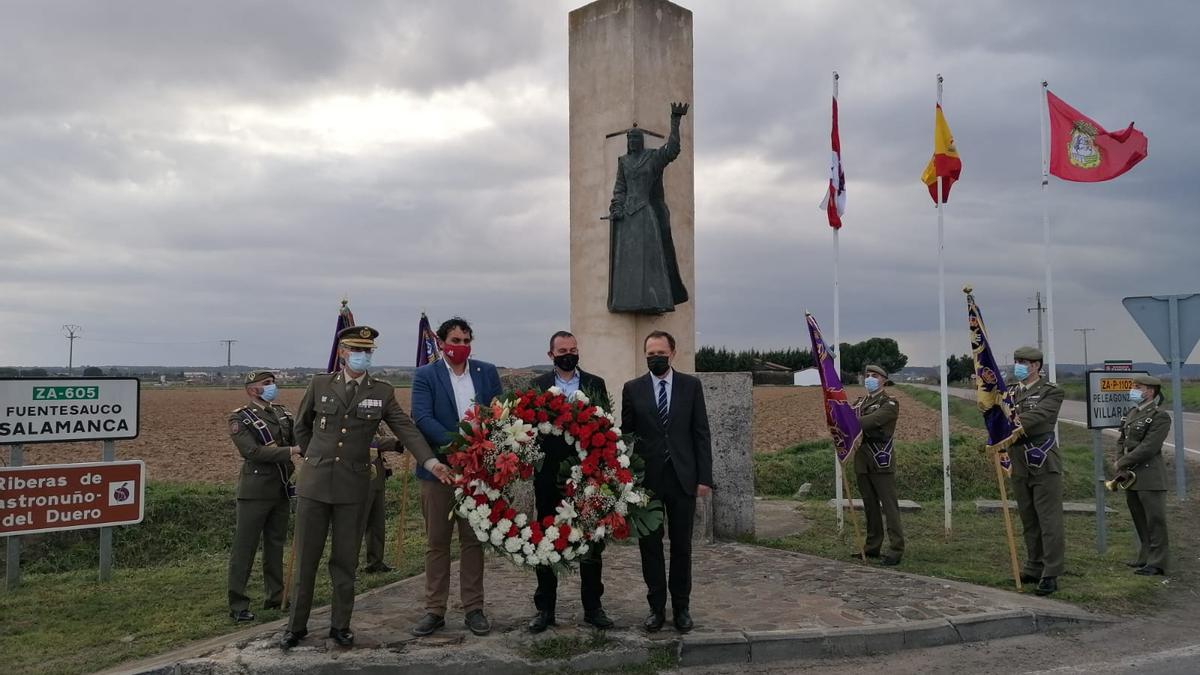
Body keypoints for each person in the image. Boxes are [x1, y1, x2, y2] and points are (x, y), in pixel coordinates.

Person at [282, 325, 451, 650]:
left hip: (353, 487)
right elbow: (301, 427)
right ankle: (296, 626)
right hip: (315, 485)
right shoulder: (319, 384)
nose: (362, 356)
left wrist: (431, 462)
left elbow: (407, 430)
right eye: (356, 350)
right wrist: (315, 456)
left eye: (367, 351)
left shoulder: (382, 391)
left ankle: (340, 625)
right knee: (306, 559)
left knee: (345, 561)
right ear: (343, 352)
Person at [409, 317, 502, 637]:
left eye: (465, 341)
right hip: (440, 471)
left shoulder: (486, 372)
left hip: (478, 471)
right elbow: (422, 416)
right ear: (441, 341)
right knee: (437, 542)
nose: (460, 346)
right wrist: (457, 445)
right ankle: (434, 610)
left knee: (473, 541)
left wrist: (482, 446)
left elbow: (497, 411)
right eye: (455, 341)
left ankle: (474, 607)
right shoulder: (425, 375)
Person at [621, 330, 712, 633]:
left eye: (660, 353)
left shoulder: (691, 386)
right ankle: (656, 607)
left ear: (673, 353)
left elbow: (701, 434)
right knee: (650, 546)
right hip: (648, 481)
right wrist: (623, 476)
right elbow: (627, 436)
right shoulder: (633, 389)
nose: (655, 358)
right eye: (649, 354)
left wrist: (704, 478)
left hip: (683, 479)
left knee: (682, 546)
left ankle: (682, 607)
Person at [527, 331, 614, 632]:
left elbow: (607, 428)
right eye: (562, 350)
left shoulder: (594, 384)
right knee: (547, 540)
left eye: (573, 349)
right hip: (549, 477)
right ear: (550, 354)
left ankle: (593, 607)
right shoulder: (537, 386)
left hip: (586, 476)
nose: (569, 354)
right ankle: (545, 608)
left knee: (591, 540)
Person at [227, 370, 299, 622]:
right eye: (266, 384)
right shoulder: (240, 418)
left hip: (280, 487)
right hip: (255, 492)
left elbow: (300, 438)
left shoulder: (283, 414)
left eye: (272, 383)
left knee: (275, 545)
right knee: (244, 549)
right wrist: (291, 450)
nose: (272, 387)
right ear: (251, 390)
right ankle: (238, 604)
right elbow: (253, 452)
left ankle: (276, 596)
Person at [607, 102, 690, 314]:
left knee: (651, 261)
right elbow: (620, 188)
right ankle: (626, 301)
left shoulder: (652, 158)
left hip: (646, 213)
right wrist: (616, 207)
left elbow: (672, 150)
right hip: (627, 217)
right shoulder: (623, 162)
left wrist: (675, 120)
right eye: (630, 139)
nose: (633, 141)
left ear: (641, 140)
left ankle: (654, 300)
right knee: (627, 264)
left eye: (636, 138)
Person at [1009, 346, 1066, 596]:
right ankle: (1034, 565)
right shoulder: (1011, 391)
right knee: (1028, 517)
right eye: (1016, 361)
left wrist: (1009, 420)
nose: (1019, 365)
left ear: (1036, 366)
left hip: (1042, 458)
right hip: (1018, 459)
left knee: (1048, 519)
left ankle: (1051, 572)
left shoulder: (1051, 391)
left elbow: (1040, 416)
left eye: (1023, 362)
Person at [1113, 374, 1172, 576]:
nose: (1133, 390)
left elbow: (1150, 447)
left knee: (1155, 520)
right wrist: (1120, 462)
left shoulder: (1159, 416)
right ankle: (1145, 557)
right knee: (1139, 518)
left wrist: (1123, 461)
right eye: (1133, 386)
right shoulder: (1132, 413)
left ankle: (1158, 562)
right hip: (1131, 477)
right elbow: (1122, 440)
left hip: (1150, 476)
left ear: (1150, 391)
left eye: (1138, 387)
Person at [852, 365, 905, 566]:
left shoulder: (890, 403)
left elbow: (873, 421)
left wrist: (849, 421)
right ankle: (872, 546)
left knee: (889, 505)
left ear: (884, 380)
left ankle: (896, 549)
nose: (870, 379)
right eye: (867, 375)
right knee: (870, 506)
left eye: (874, 376)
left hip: (880, 457)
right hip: (862, 458)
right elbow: (849, 418)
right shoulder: (860, 402)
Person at [358, 430, 395, 574]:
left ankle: (375, 561)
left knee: (377, 521)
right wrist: (395, 443)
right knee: (358, 523)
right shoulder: (357, 415)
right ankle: (348, 566)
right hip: (361, 472)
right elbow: (367, 439)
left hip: (378, 469)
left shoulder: (376, 416)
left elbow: (381, 434)